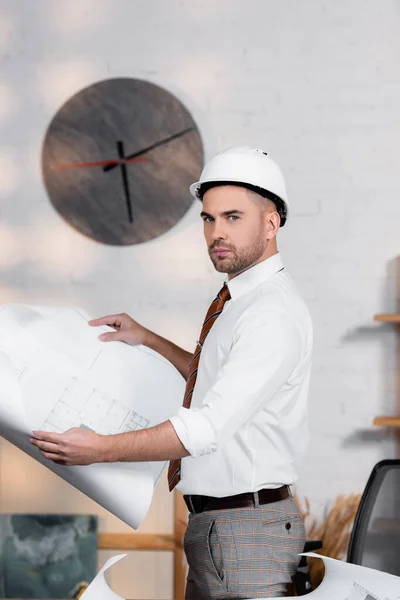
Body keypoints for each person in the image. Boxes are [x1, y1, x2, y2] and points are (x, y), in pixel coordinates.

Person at [31, 146, 313, 599]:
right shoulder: (240, 303)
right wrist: (149, 339)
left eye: (233, 217)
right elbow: (215, 383)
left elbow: (207, 426)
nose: (216, 233)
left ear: (271, 222)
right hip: (221, 526)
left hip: (246, 532)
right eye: (208, 218)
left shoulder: (270, 314)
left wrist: (101, 449)